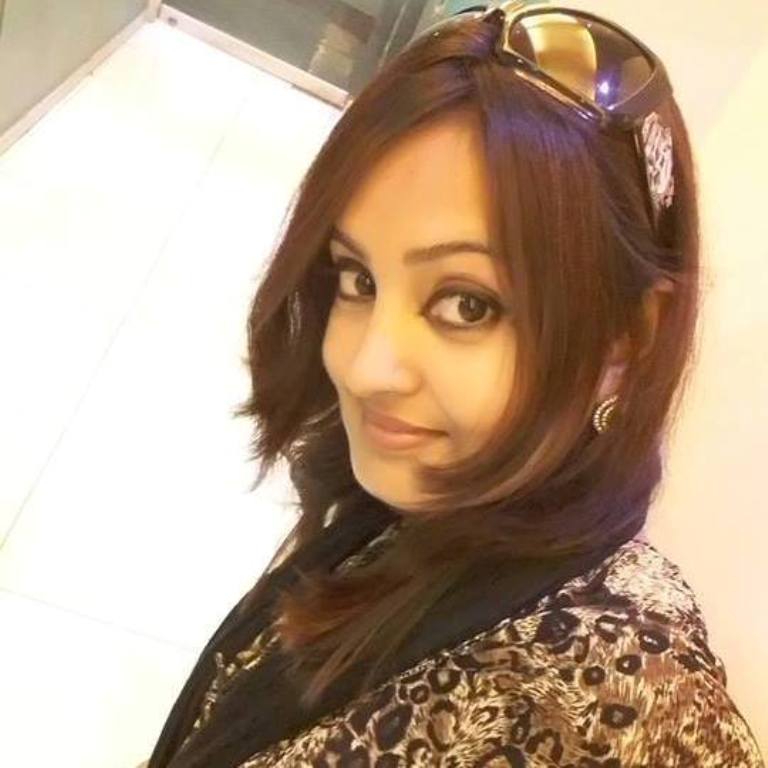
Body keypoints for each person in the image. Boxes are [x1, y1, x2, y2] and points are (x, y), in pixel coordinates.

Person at [143, 3, 765, 766]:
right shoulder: (405, 507)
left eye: (467, 304)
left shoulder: (621, 705)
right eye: (358, 278)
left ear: (626, 341)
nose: (365, 368)